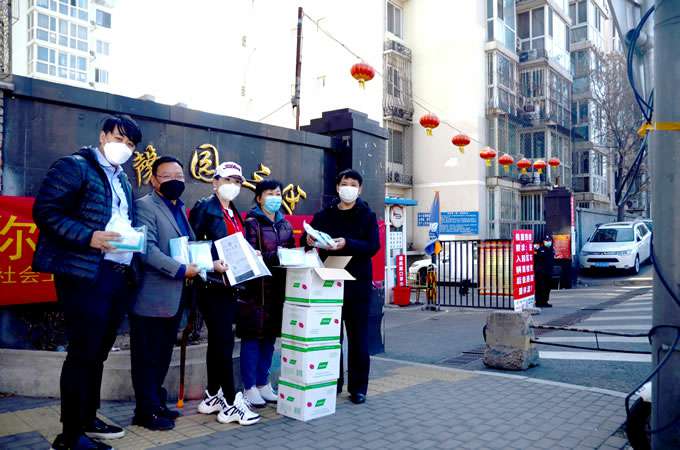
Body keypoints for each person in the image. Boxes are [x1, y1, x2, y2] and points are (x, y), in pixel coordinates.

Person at [32, 115, 142, 450]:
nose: (124, 147)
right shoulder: (74, 167)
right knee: (82, 353)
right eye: (119, 138)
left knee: (98, 352)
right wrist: (87, 237)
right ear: (103, 135)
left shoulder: (123, 181)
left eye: (130, 144)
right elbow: (46, 211)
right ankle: (70, 436)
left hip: (117, 275)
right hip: (84, 273)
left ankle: (88, 418)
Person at [131, 156, 223, 430]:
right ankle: (144, 412)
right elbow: (146, 249)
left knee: (161, 355)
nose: (175, 181)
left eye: (179, 177)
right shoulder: (144, 206)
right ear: (153, 180)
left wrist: (210, 264)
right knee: (146, 358)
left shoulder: (179, 208)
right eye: (167, 176)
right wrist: (182, 270)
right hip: (151, 296)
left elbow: (190, 246)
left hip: (174, 297)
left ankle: (156, 403)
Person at [188, 161, 261, 425]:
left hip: (229, 285)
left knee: (219, 342)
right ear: (215, 182)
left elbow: (233, 245)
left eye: (237, 181)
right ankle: (230, 403)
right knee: (224, 342)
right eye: (227, 179)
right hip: (211, 286)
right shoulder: (205, 208)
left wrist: (250, 254)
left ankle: (212, 395)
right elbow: (192, 246)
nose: (233, 185)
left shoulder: (232, 211)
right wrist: (210, 264)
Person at [303, 169, 380, 405]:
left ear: (360, 189)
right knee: (330, 338)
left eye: (353, 184)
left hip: (357, 285)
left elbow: (373, 246)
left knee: (358, 339)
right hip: (328, 284)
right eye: (344, 183)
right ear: (337, 187)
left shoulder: (367, 215)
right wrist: (308, 240)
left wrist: (347, 243)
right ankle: (332, 381)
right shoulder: (324, 214)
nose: (348, 188)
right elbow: (308, 241)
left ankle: (358, 388)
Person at [238, 179, 295, 407]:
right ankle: (249, 387)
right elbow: (251, 254)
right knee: (252, 338)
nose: (275, 198)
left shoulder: (285, 224)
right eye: (269, 193)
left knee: (269, 339)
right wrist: (278, 256)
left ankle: (263, 383)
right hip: (256, 291)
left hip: (278, 290)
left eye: (278, 193)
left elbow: (291, 251)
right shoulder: (251, 223)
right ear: (259, 198)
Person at [534, 235, 555, 308]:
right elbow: (536, 259)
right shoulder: (540, 249)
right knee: (540, 287)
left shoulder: (552, 250)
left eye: (549, 240)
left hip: (549, 272)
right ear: (543, 242)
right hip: (540, 272)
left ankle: (545, 301)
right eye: (546, 241)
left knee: (547, 287)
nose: (548, 242)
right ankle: (539, 302)